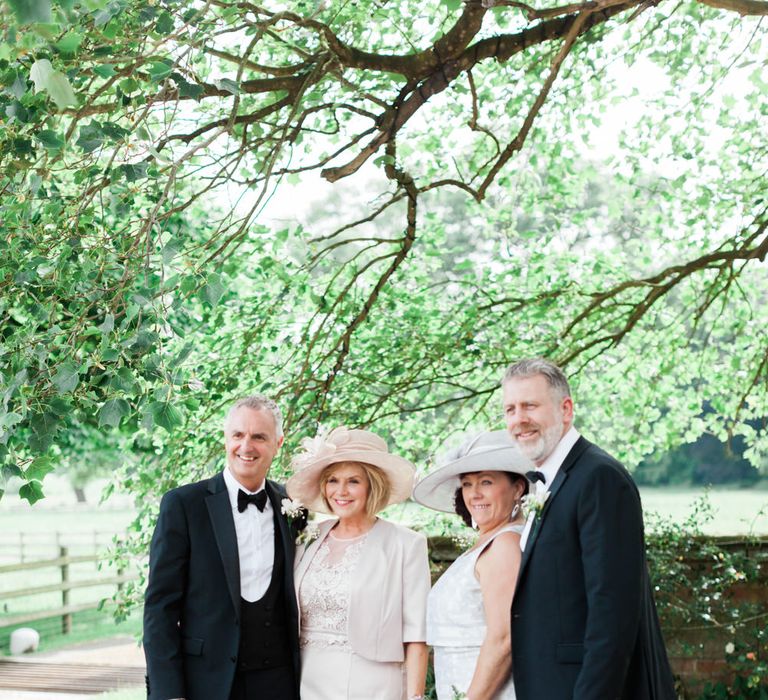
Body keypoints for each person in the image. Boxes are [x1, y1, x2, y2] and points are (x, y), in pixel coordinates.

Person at [502, 358, 676, 699]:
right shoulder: (554, 480)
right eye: (510, 409)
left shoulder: (599, 478)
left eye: (530, 406)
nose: (518, 419)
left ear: (566, 409)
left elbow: (612, 615)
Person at [143, 395, 300, 700]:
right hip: (206, 683)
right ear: (225, 438)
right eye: (238, 435)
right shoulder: (184, 505)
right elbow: (160, 608)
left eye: (259, 437)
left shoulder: (293, 506)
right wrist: (168, 692)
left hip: (279, 683)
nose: (246, 446)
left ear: (278, 442)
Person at [286, 426, 430, 700]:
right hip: (308, 680)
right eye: (332, 480)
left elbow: (417, 635)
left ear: (372, 485)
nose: (341, 491)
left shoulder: (406, 544)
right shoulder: (307, 538)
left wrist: (415, 696)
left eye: (353, 481)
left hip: (373, 685)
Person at [413, 430, 532, 699]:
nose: (474, 494)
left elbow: (503, 639)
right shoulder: (487, 542)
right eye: (467, 484)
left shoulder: (505, 545)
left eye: (486, 482)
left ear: (517, 488)